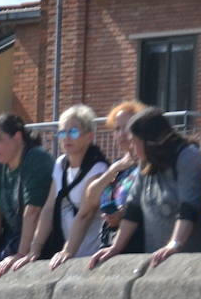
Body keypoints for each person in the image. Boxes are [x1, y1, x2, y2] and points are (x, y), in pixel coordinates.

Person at [89, 108, 201, 270]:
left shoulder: (187, 157)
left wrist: (175, 244)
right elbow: (133, 209)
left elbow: (189, 206)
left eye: (134, 141)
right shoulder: (147, 163)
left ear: (149, 141)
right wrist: (116, 247)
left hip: (190, 261)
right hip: (157, 258)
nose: (130, 147)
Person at [12, 105, 109, 271]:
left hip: (89, 254)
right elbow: (49, 208)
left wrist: (67, 251)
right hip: (65, 252)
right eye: (63, 132)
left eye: (73, 132)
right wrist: (34, 249)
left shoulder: (98, 169)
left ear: (89, 136)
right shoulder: (60, 164)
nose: (66, 138)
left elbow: (85, 214)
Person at [51, 100, 145, 269]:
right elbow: (90, 200)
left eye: (127, 127)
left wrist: (123, 214)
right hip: (109, 248)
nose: (122, 134)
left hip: (139, 247)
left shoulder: (148, 165)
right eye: (117, 129)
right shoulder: (115, 167)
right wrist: (114, 169)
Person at [0, 114, 55, 278]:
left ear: (17, 137)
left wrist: (20, 254)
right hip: (14, 237)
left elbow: (33, 211)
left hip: (44, 243)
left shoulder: (36, 158)